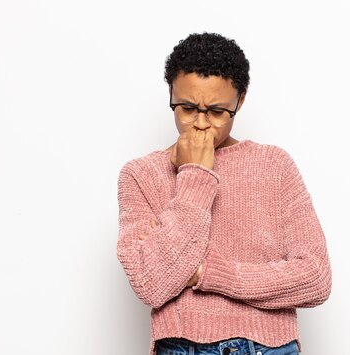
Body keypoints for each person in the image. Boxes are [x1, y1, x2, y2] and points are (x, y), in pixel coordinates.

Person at [116, 32, 332, 355]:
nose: (201, 124)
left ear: (239, 100)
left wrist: (208, 274)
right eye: (187, 108)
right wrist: (196, 174)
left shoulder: (274, 166)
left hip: (269, 348)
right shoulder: (140, 176)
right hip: (181, 347)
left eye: (217, 111)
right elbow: (151, 282)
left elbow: (315, 277)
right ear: (171, 93)